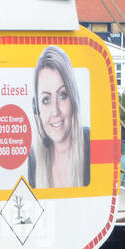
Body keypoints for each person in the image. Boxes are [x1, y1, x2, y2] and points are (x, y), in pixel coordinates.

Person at [28, 45, 90, 189]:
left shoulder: (90, 144)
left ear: (74, 99)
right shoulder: (34, 159)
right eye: (46, 100)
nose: (55, 111)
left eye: (62, 95)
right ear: (36, 109)